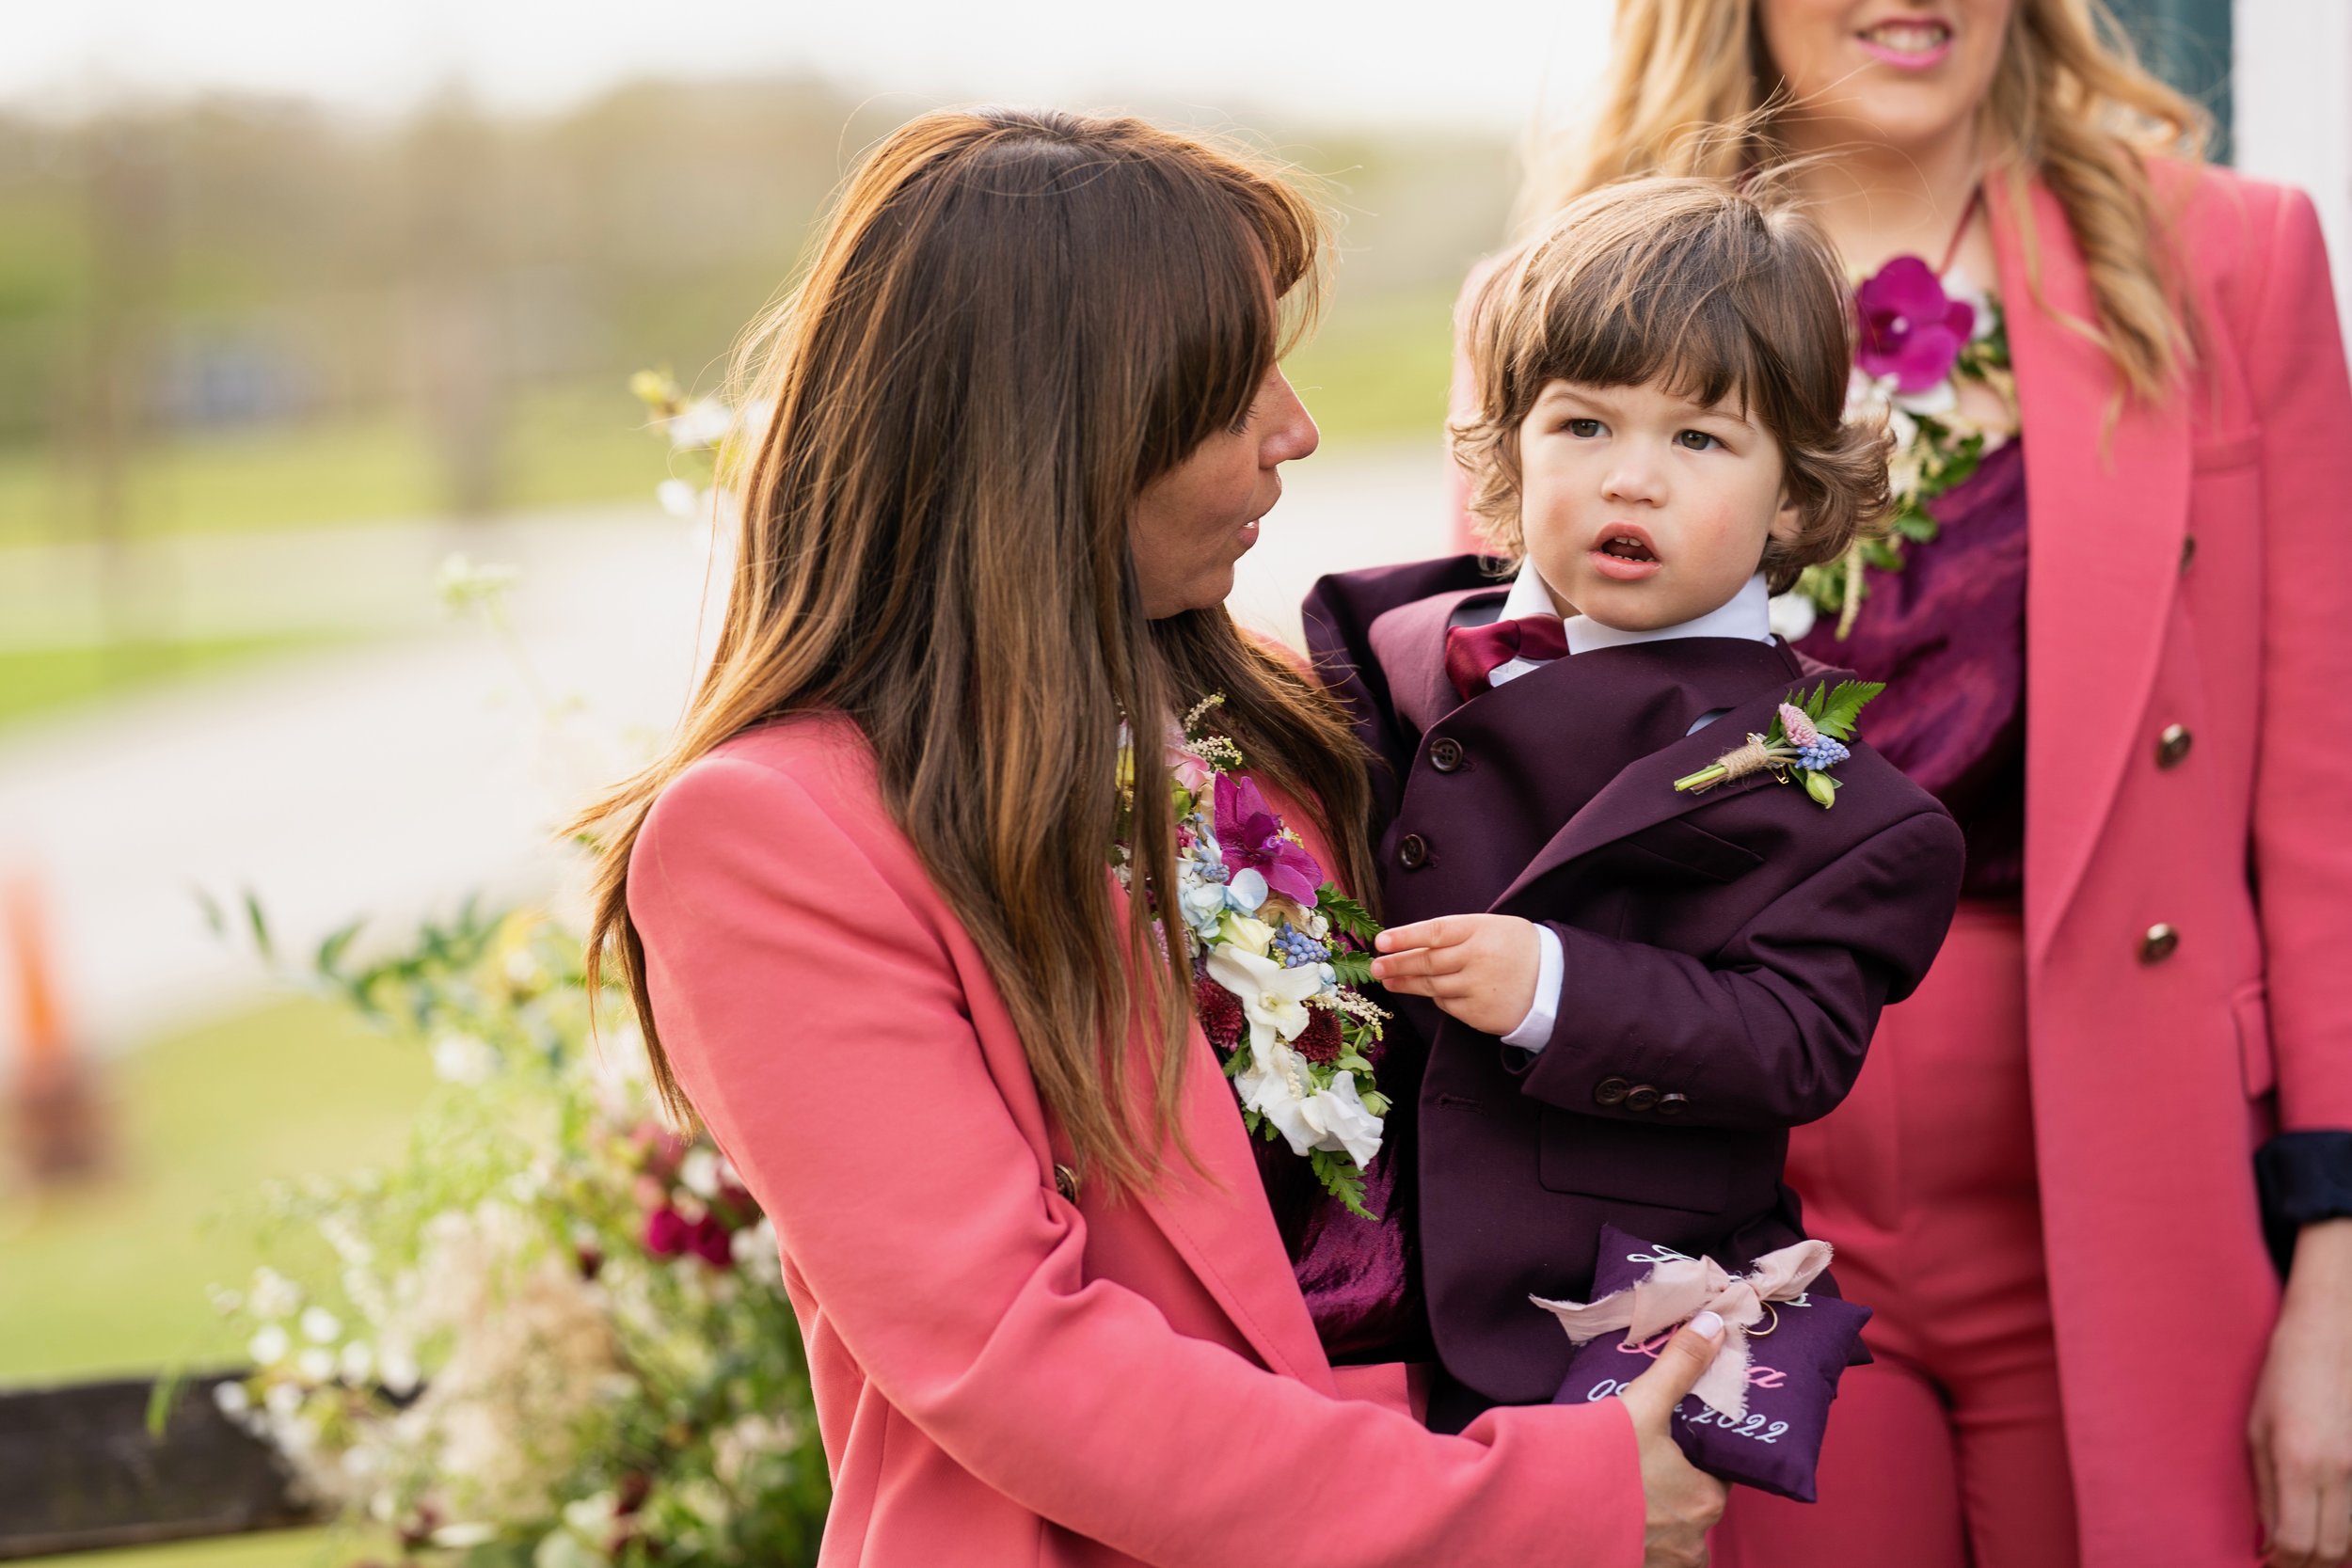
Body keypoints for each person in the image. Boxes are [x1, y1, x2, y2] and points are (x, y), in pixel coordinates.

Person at [573, 107, 1729, 1568]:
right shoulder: (772, 839)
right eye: (1232, 386)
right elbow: (1013, 1357)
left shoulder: (1293, 720)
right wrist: (1536, 1499)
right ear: (1059, 434)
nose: (1294, 430)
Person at [1454, 4, 2352, 1565]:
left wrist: (2341, 1268)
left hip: (2131, 1174)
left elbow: (2327, 801)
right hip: (1717, 1171)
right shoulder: (1571, 284)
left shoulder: (2230, 256)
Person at [1308, 177, 1965, 1481]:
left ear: (1794, 496)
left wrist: (1555, 986)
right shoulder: (1382, 642)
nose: (1631, 477)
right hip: (1340, 1312)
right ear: (1507, 449)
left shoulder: (1838, 801)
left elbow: (1791, 1045)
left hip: (1588, 1332)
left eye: (1700, 442)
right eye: (1585, 423)